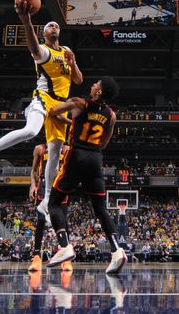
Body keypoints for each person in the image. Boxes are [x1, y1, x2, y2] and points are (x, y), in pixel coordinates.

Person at [0, 0, 82, 224]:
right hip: (43, 99)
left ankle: (46, 201)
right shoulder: (45, 51)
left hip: (61, 105)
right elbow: (33, 48)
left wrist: (73, 62)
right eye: (49, 26)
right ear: (45, 34)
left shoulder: (66, 51)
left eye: (56, 25)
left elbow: (78, 78)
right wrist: (26, 22)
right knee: (30, 131)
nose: (54, 26)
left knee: (55, 154)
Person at [44, 77, 127, 275]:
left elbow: (52, 112)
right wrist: (71, 122)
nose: (92, 85)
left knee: (54, 202)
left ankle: (64, 246)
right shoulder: (111, 115)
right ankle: (117, 251)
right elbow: (103, 143)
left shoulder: (79, 103)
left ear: (98, 92)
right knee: (100, 208)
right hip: (96, 159)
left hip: (76, 155)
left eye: (96, 84)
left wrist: (60, 114)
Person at [27, 142, 70, 273]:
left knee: (63, 222)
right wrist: (32, 185)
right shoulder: (40, 148)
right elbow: (34, 170)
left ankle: (66, 258)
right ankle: (36, 256)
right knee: (40, 221)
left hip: (60, 185)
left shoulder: (67, 149)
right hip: (44, 187)